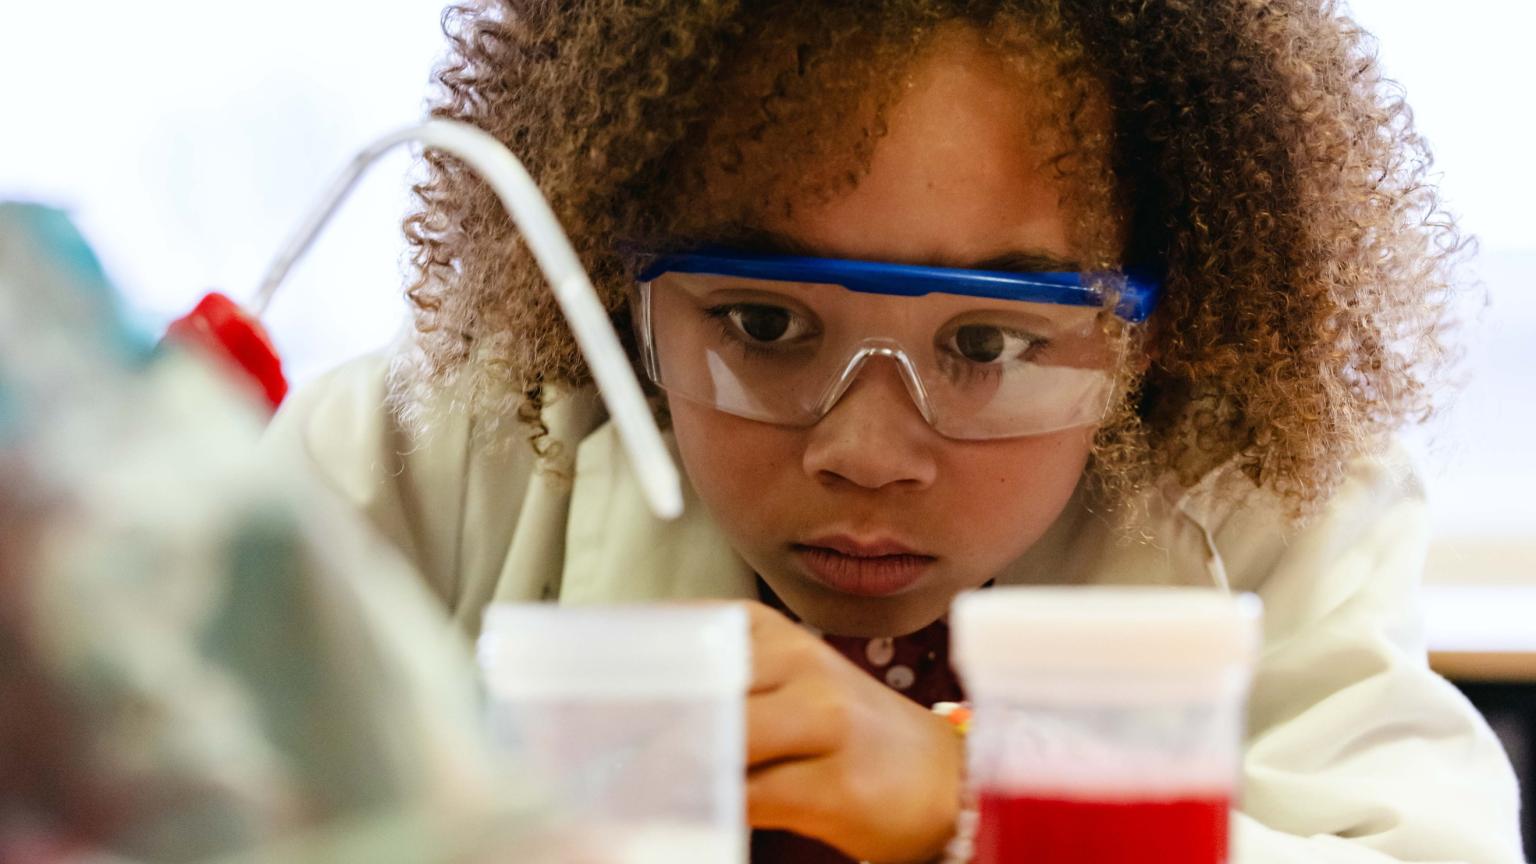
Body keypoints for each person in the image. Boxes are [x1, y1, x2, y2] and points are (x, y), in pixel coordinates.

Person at [262, 2, 1523, 862]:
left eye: (991, 343)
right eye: (760, 321)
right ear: (606, 280)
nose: (865, 450)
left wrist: (969, 803)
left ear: (1170, 324)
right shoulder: (419, 457)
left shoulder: (1264, 505)